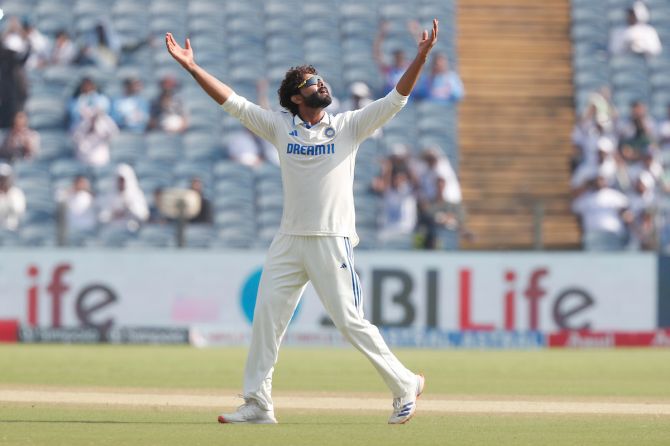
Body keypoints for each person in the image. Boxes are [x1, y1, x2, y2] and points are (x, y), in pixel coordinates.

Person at [165, 18, 439, 425]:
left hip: (331, 239)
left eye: (321, 81)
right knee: (266, 320)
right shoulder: (280, 127)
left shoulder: (347, 125)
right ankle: (258, 403)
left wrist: (419, 58)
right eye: (313, 84)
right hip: (289, 239)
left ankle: (404, 385)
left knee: (349, 321)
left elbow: (395, 99)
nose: (322, 86)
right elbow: (233, 102)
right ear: (296, 97)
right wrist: (192, 68)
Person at [97, 163, 149, 231]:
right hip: (113, 231)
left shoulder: (136, 195)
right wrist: (113, 214)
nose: (121, 183)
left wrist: (129, 208)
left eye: (123, 180)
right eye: (119, 180)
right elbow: (102, 218)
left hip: (131, 231)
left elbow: (143, 216)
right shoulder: (109, 196)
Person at [0, 163, 26, 231]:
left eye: (5, 179)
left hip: (13, 229)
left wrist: (6, 197)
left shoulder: (16, 193)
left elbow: (18, 210)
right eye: (1, 179)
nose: (3, 181)